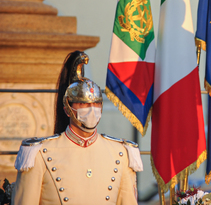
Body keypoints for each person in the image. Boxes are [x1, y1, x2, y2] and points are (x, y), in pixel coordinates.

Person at [11, 51, 143, 205]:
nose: (92, 109)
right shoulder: (38, 153)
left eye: (96, 104)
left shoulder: (121, 153)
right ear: (67, 108)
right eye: (84, 104)